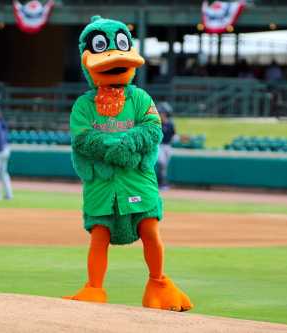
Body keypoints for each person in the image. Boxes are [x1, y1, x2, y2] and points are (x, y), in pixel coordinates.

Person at [65, 16, 192, 312]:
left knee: (150, 230)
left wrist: (127, 143)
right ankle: (94, 288)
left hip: (137, 181)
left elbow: (152, 129)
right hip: (102, 184)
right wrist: (117, 147)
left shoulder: (139, 97)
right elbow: (82, 139)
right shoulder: (84, 105)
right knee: (99, 234)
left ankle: (158, 284)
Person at [156, 102, 176, 190]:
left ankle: (163, 183)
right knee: (161, 163)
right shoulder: (157, 124)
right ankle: (161, 183)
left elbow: (174, 136)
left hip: (167, 146)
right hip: (159, 146)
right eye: (160, 113)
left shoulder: (170, 124)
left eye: (163, 113)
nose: (162, 114)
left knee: (165, 166)